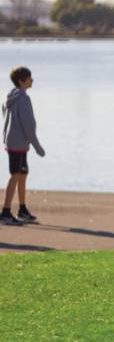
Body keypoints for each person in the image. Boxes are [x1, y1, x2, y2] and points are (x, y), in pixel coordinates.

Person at [2, 66, 46, 225]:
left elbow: (5, 114)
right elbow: (28, 126)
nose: (32, 80)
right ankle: (6, 212)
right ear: (22, 81)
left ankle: (22, 209)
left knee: (22, 174)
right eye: (29, 77)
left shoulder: (10, 96)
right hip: (18, 144)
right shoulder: (23, 99)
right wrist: (37, 147)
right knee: (15, 175)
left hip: (15, 143)